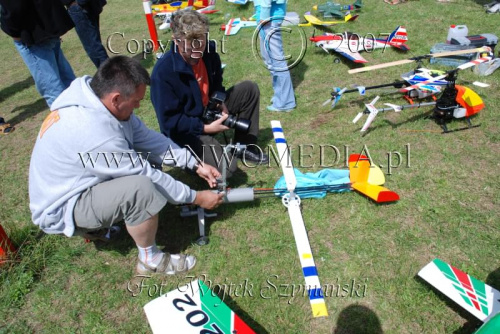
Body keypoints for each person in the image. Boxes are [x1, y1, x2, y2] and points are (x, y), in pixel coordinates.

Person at [29, 56, 224, 275]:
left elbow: (150, 141)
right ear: (116, 99)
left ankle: (108, 221)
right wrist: (196, 197)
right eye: (136, 101)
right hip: (64, 205)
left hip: (77, 183)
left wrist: (195, 164)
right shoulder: (93, 132)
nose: (139, 106)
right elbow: (144, 174)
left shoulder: (96, 100)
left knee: (147, 163)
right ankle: (150, 259)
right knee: (140, 189)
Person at [150, 10, 269, 178]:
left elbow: (217, 82)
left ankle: (244, 147)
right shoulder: (163, 73)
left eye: (201, 46)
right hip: (187, 132)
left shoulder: (209, 51)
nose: (197, 54)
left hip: (209, 112)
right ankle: (190, 161)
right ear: (176, 41)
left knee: (249, 89)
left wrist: (221, 101)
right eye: (190, 49)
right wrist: (205, 128)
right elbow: (169, 123)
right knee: (227, 169)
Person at [0, 0, 76, 108]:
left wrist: (11, 29)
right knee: (67, 79)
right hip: (47, 21)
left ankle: (71, 120)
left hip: (32, 31)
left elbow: (14, 6)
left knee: (54, 89)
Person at [253, 0, 296, 112]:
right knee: (269, 58)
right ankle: (280, 96)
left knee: (276, 60)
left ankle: (285, 102)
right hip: (269, 14)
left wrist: (264, 16)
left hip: (269, 17)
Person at [61, 0, 109, 68]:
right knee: (95, 45)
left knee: (94, 48)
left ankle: (111, 75)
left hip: (77, 5)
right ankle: (111, 74)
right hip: (83, 5)